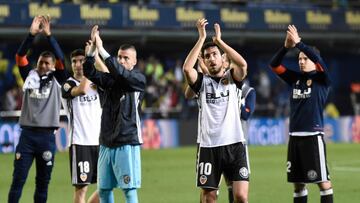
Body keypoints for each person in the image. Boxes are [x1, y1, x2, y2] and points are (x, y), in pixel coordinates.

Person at [183, 18, 249, 203]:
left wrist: (220, 42)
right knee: (210, 197)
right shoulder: (202, 83)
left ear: (223, 58)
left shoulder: (233, 79)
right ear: (203, 61)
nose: (211, 58)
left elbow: (243, 65)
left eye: (215, 54)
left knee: (241, 196)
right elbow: (187, 69)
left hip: (235, 144)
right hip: (208, 147)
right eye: (207, 56)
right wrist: (202, 38)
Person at [269, 25, 333, 203]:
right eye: (299, 59)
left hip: (313, 137)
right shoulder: (294, 78)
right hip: (294, 138)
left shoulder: (322, 79)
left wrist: (299, 43)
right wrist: (286, 47)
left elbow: (318, 59)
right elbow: (274, 65)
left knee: (323, 182)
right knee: (298, 185)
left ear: (314, 61)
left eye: (305, 58)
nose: (301, 61)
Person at [8, 15, 68, 203]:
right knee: (18, 180)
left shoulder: (58, 79)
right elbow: (20, 56)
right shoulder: (29, 76)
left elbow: (61, 58)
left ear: (53, 66)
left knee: (43, 183)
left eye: (47, 63)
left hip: (47, 137)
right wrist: (31, 35)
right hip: (27, 137)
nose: (43, 65)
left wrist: (50, 36)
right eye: (41, 62)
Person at [83, 25, 146, 203]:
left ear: (134, 61)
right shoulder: (110, 81)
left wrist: (101, 50)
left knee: (129, 190)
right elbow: (89, 72)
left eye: (126, 58)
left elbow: (121, 74)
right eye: (119, 57)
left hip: (127, 141)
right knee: (103, 190)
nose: (122, 60)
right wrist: (91, 53)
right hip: (106, 142)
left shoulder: (137, 80)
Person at [61, 44, 108, 203]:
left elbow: (107, 74)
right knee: (82, 189)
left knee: (105, 186)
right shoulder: (67, 84)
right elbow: (81, 91)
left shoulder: (96, 82)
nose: (78, 64)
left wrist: (94, 56)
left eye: (81, 61)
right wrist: (89, 66)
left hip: (99, 142)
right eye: (74, 61)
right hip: (79, 142)